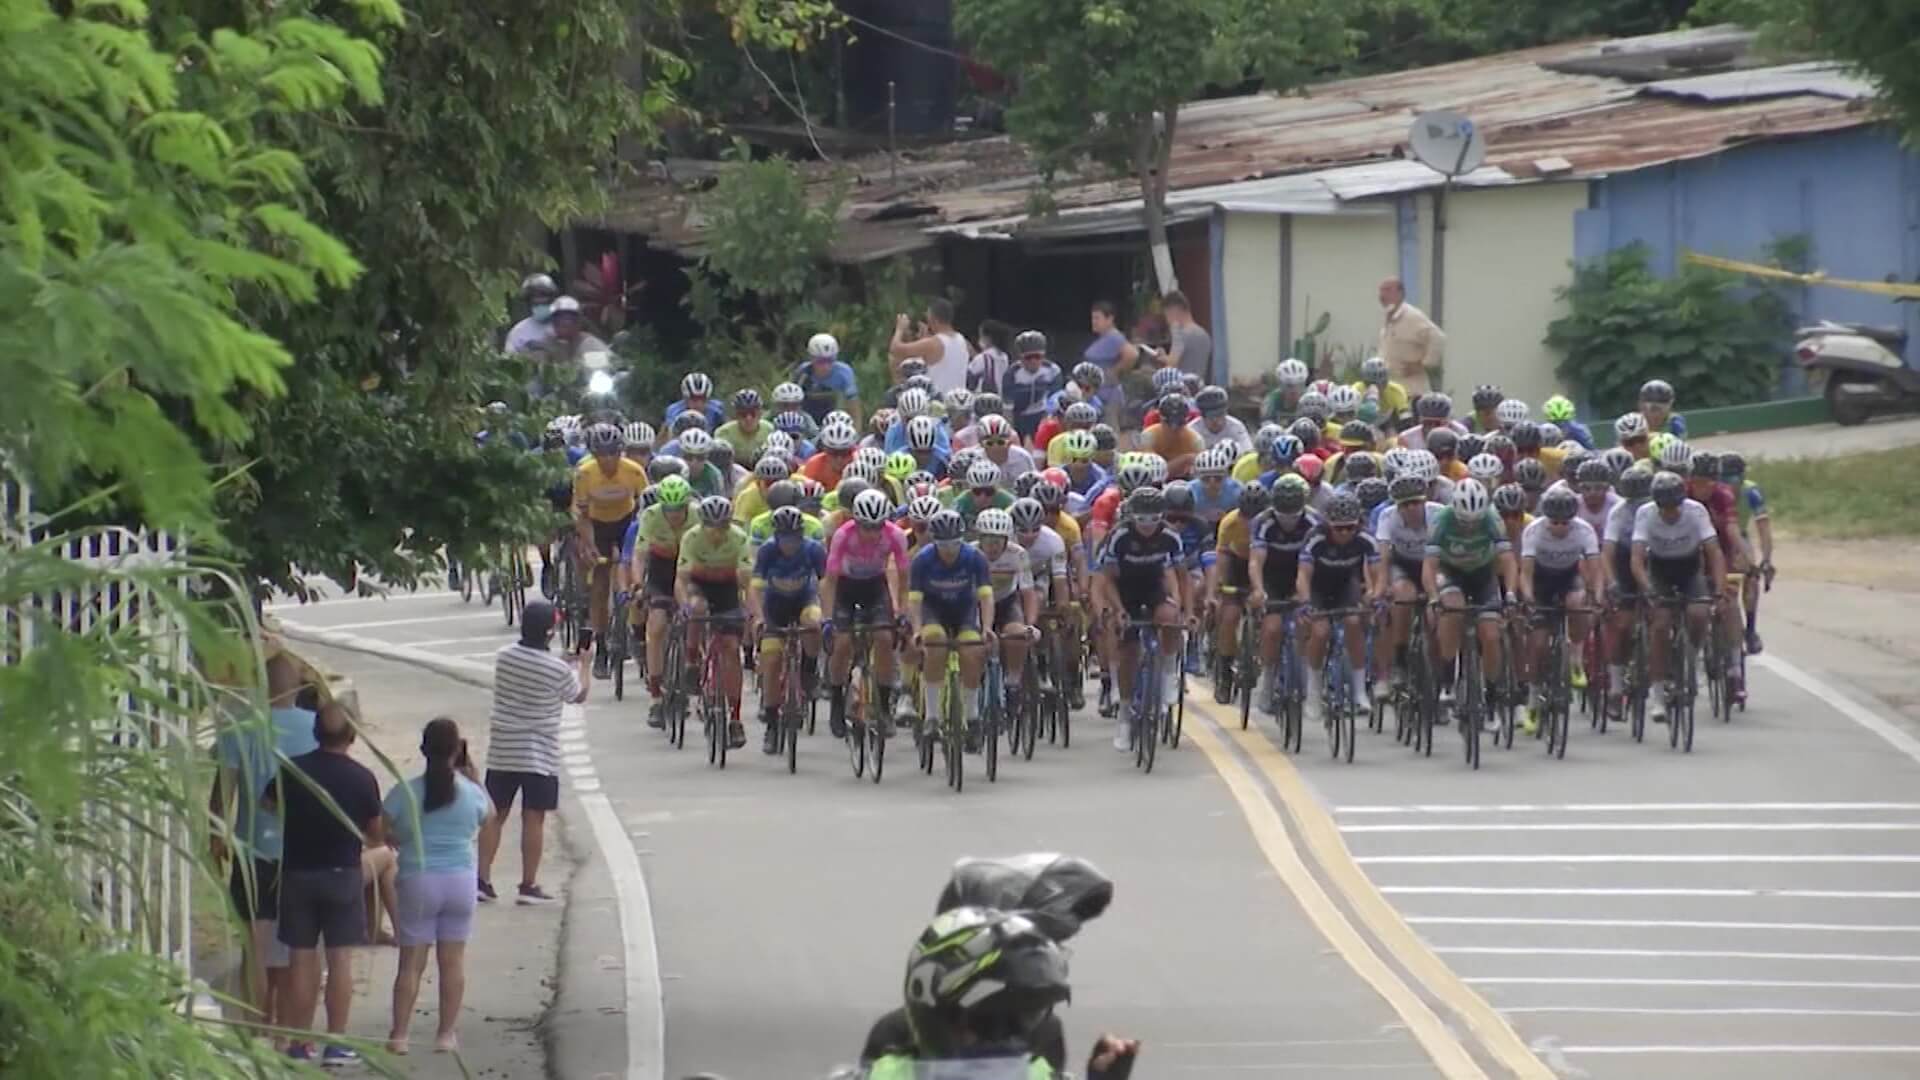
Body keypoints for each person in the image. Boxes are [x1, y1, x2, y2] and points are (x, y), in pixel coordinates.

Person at [211, 645, 319, 1036]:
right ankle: (289, 1031)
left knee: (255, 945)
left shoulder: (237, 731)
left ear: (261, 687)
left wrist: (215, 839)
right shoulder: (315, 728)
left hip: (251, 851)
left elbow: (221, 795)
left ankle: (257, 1025)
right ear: (296, 688)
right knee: (296, 947)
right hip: (303, 852)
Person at [275, 695, 383, 1065]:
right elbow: (375, 833)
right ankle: (336, 1044)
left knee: (301, 961)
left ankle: (299, 1044)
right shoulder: (362, 778)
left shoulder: (292, 769)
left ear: (315, 732)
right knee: (340, 961)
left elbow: (267, 806)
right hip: (342, 874)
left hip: (297, 872)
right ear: (352, 736)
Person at [383, 717, 492, 1055]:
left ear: (422, 750)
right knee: (452, 962)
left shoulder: (404, 792)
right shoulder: (471, 792)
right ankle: (445, 1034)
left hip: (418, 879)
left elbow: (385, 832)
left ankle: (399, 1035)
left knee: (410, 964)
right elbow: (488, 816)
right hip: (460, 880)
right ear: (456, 750)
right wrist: (472, 773)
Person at [478, 600, 588, 906]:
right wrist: (584, 665)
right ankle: (528, 884)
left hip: (503, 748)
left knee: (494, 815)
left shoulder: (504, 657)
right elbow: (578, 694)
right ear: (550, 632)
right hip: (539, 752)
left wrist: (562, 663)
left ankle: (482, 879)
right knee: (533, 818)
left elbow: (536, 667)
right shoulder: (557, 670)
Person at [1097, 487, 1187, 750]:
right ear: (1132, 517)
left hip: (1152, 587)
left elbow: (1181, 577)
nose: (1147, 525)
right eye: (1142, 519)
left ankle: (1169, 672)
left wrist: (1187, 610)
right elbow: (1108, 580)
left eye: (1153, 518)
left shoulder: (1170, 536)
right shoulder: (1119, 537)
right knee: (1129, 652)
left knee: (1170, 619)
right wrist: (1117, 609)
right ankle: (1125, 714)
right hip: (1124, 591)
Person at [1631, 470, 1724, 724]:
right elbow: (1637, 559)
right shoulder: (1645, 513)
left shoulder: (1696, 511)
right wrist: (1648, 587)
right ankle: (1658, 695)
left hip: (1689, 567)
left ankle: (1691, 657)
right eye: (1665, 507)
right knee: (1660, 626)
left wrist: (1719, 587)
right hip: (1659, 569)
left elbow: (1714, 553)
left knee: (1699, 613)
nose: (1670, 512)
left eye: (1674, 506)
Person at [821, 489, 912, 733]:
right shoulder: (843, 535)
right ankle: (837, 702)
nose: (872, 534)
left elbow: (904, 580)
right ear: (856, 521)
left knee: (884, 638)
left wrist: (902, 611)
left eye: (877, 527)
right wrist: (828, 618)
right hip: (845, 587)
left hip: (875, 586)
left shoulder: (895, 535)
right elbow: (829, 580)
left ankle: (883, 706)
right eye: (866, 527)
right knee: (841, 644)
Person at [1423, 479, 1517, 716]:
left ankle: (1492, 694)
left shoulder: (1492, 519)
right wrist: (1434, 597)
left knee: (1491, 634)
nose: (1470, 528)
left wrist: (1511, 594)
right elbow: (1429, 566)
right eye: (1465, 523)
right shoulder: (1441, 520)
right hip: (1451, 573)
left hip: (1483, 575)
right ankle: (1447, 679)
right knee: (1452, 609)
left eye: (1475, 523)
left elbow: (1507, 560)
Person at [1517, 488, 1602, 735]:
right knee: (1538, 644)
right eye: (1555, 522)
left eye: (1565, 522)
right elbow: (1526, 573)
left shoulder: (1584, 530)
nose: (1560, 527)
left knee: (1579, 604)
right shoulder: (1533, 531)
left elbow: (1596, 569)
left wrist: (1597, 595)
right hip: (1542, 583)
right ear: (1546, 518)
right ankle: (1532, 701)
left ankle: (1575, 659)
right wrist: (1529, 599)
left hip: (1568, 578)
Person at [909, 510, 996, 738]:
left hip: (964, 611)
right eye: (943, 545)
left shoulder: (975, 557)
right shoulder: (922, 559)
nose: (949, 551)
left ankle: (972, 713)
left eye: (954, 544)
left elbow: (986, 596)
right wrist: (917, 630)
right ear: (934, 541)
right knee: (934, 644)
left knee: (972, 651)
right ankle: (932, 716)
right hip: (933, 611)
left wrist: (987, 627)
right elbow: (915, 601)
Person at [1298, 492, 1382, 726]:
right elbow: (1303, 575)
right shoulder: (1315, 538)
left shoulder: (1365, 538)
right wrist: (1305, 603)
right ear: (1328, 525)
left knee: (1354, 623)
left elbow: (1378, 572)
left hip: (1346, 586)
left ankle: (1359, 691)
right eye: (1339, 529)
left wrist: (1375, 595)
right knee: (1321, 631)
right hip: (1318, 589)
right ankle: (1313, 692)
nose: (1345, 533)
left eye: (1350, 528)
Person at [679, 495, 755, 749]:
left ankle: (734, 718)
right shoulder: (691, 537)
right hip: (699, 587)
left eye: (721, 526)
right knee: (697, 608)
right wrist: (684, 605)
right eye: (711, 526)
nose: (716, 532)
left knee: (732, 650)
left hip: (727, 590)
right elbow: (681, 578)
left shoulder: (738, 538)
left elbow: (746, 581)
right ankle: (691, 659)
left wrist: (751, 612)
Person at [573, 422, 648, 678]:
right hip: (597, 524)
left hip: (627, 521)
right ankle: (602, 644)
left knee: (628, 573)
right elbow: (581, 516)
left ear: (621, 452)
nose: (607, 460)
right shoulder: (585, 474)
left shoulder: (634, 472)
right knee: (601, 582)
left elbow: (646, 511)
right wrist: (589, 544)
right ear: (593, 455)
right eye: (601, 454)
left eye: (612, 453)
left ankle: (634, 627)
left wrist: (636, 548)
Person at [1376, 277, 1444, 396]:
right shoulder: (1388, 317)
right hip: (1390, 391)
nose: (1382, 295)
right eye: (1381, 290)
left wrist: (1423, 365)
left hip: (1411, 392)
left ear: (1400, 293)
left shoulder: (1411, 316)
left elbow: (1437, 337)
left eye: (1387, 290)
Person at [889, 298, 969, 395]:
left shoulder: (934, 343)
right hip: (959, 400)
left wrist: (900, 328)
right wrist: (925, 337)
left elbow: (895, 349)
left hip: (938, 403)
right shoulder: (962, 340)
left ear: (933, 318)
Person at [1084, 301, 1141, 431]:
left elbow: (1132, 354)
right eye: (1093, 318)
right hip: (1096, 395)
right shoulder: (1104, 338)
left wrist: (1115, 371)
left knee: (1109, 432)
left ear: (1109, 319)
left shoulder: (1114, 337)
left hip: (1108, 396)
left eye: (1097, 318)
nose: (1094, 322)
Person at [1002, 331, 1061, 441]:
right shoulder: (1012, 373)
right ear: (1020, 358)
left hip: (1043, 414)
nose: (1033, 361)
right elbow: (1007, 405)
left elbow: (1055, 399)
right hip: (1019, 416)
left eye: (1038, 357)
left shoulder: (1052, 370)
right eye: (1028, 357)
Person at [796, 333, 863, 426]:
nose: (826, 367)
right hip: (807, 420)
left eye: (830, 361)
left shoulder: (844, 373)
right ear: (811, 358)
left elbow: (854, 406)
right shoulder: (803, 372)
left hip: (833, 420)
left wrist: (856, 433)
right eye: (820, 361)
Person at [1162, 290, 1213, 382]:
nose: (1167, 321)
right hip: (1198, 388)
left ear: (1173, 312)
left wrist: (1174, 330)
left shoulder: (1180, 335)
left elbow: (1170, 368)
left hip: (1182, 391)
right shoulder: (1204, 335)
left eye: (1167, 316)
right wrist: (1165, 357)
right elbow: (1189, 359)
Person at [505, 273, 559, 355]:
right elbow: (509, 361)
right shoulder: (518, 331)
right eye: (535, 300)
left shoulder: (564, 327)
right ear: (529, 303)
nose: (539, 301)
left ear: (552, 299)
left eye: (543, 296)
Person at [1188, 385, 1250, 453]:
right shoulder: (1192, 430)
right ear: (1202, 415)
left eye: (1219, 415)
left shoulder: (1236, 427)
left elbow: (1247, 452)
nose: (1215, 420)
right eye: (1210, 416)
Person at [715, 388, 771, 462]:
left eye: (753, 413)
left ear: (760, 413)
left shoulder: (770, 430)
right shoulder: (724, 432)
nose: (748, 418)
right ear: (736, 415)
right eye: (743, 414)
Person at [970, 319, 1015, 394]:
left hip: (984, 397)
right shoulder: (1004, 356)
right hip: (999, 395)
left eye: (981, 335)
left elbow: (970, 375)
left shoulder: (983, 358)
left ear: (988, 338)